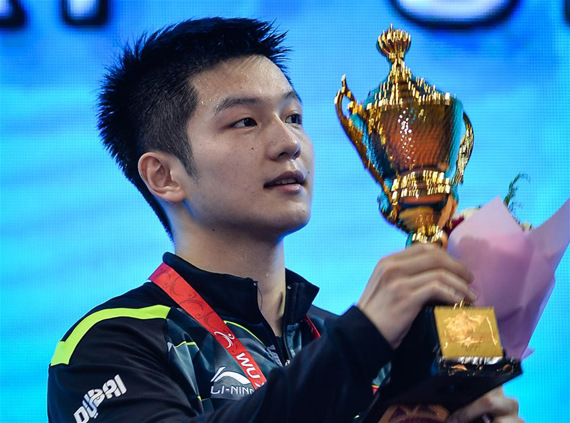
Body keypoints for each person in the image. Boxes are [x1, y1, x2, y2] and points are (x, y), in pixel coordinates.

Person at [47, 17, 522, 423]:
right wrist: (361, 342)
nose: (288, 142)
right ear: (164, 175)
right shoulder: (109, 345)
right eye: (245, 122)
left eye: (293, 116)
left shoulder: (342, 341)